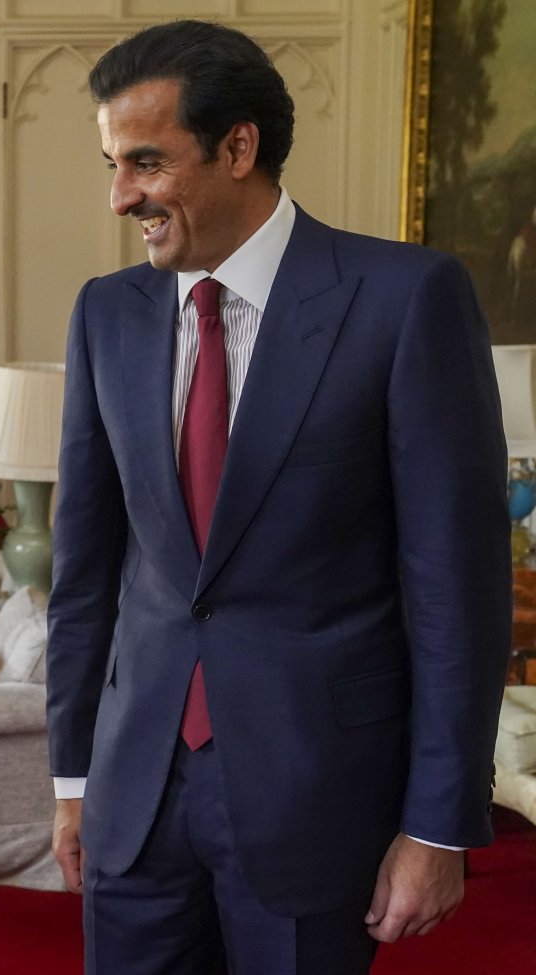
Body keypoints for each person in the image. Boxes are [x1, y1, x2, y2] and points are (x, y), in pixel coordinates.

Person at [45, 20, 511, 975]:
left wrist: (438, 824)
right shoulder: (107, 313)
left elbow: (456, 592)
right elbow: (84, 572)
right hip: (135, 797)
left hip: (318, 799)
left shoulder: (404, 298)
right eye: (112, 163)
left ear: (238, 147)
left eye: (145, 162)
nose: (120, 195)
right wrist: (73, 778)